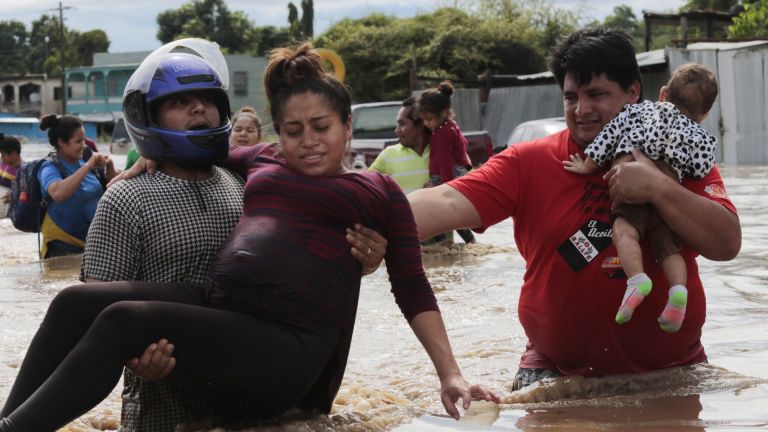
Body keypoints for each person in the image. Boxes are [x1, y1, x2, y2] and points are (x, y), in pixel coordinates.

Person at [0, 42, 497, 431]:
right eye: (294, 130)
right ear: (277, 134)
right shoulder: (259, 162)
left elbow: (412, 287)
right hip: (226, 310)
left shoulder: (378, 192)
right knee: (73, 300)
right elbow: (197, 147)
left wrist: (450, 374)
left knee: (121, 321)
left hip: (288, 347)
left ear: (349, 127)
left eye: (322, 126)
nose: (308, 142)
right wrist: (150, 152)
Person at [406, 26, 740, 391]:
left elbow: (726, 244)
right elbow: (447, 200)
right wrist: (371, 215)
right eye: (570, 98)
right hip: (554, 375)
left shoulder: (678, 157)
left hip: (674, 372)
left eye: (596, 95)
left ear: (633, 93)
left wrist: (659, 188)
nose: (581, 110)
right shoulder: (528, 161)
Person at [81, 38, 386, 431]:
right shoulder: (124, 198)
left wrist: (365, 257)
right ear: (150, 117)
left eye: (207, 100)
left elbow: (302, 276)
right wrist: (134, 356)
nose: (198, 109)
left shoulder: (248, 185)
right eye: (179, 102)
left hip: (256, 403)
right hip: (164, 410)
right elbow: (95, 311)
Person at [563, 63, 719, 333]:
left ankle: (637, 279)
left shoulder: (639, 111)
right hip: (668, 189)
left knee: (624, 232)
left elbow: (608, 136)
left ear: (663, 93)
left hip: (631, 177)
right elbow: (701, 168)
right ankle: (678, 291)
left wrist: (587, 166)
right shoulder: (702, 136)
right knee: (668, 249)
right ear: (704, 114)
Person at [37, 114, 117, 258]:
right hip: (61, 245)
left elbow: (117, 190)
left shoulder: (86, 161)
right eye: (78, 141)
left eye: (84, 140)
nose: (83, 146)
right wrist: (87, 166)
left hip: (92, 244)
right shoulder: (48, 167)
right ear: (61, 142)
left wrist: (109, 165)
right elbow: (58, 193)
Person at [416, 81, 475, 244]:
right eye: (424, 120)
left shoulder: (441, 133)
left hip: (447, 176)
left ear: (443, 112)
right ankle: (470, 242)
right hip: (457, 172)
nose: (426, 124)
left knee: (434, 212)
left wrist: (442, 188)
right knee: (453, 214)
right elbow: (463, 144)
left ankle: (443, 244)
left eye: (429, 119)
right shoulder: (451, 126)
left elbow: (445, 161)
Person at [368, 96, 430, 194]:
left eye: (402, 124)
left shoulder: (442, 151)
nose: (396, 130)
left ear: (420, 125)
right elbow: (365, 187)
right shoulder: (388, 154)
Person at [0, 134, 22, 213]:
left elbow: (25, 192)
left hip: (8, 207)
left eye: (3, 155)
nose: (2, 157)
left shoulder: (23, 170)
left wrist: (13, 195)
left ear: (14, 153)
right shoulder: (3, 163)